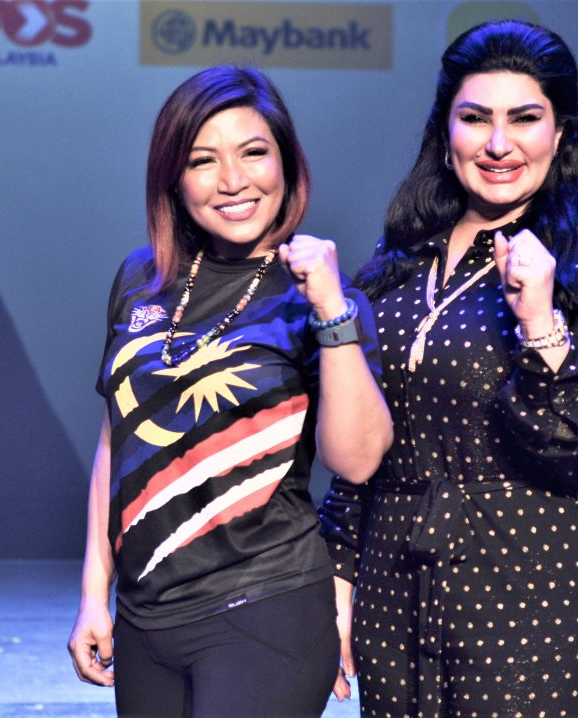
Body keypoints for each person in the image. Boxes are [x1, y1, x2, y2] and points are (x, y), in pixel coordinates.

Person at [320, 20, 578, 717]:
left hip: (533, 590)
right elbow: (364, 449)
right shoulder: (395, 265)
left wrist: (539, 321)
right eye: (475, 118)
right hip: (392, 588)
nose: (499, 144)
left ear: (560, 134)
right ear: (446, 132)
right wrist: (339, 579)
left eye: (524, 118)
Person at [67, 66, 392, 717]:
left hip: (265, 608)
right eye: (203, 160)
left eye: (253, 153)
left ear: (286, 163)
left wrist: (331, 309)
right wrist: (93, 595)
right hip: (146, 622)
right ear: (173, 178)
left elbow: (357, 460)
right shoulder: (142, 278)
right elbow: (116, 444)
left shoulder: (319, 296)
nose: (233, 180)